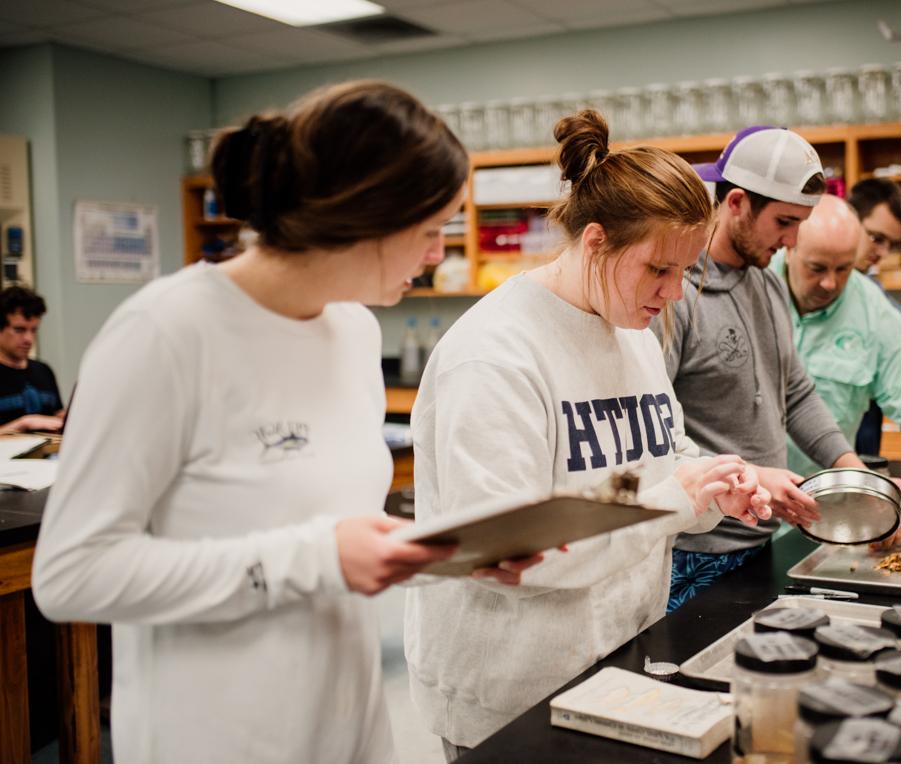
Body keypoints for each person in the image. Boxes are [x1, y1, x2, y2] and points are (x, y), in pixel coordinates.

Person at [32, 81, 537, 764]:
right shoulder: (165, 334)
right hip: (217, 735)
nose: (434, 255)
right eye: (429, 232)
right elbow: (72, 575)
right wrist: (315, 557)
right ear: (361, 219)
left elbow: (341, 538)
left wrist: (454, 556)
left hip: (348, 723)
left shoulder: (353, 330)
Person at [405, 110, 772, 761]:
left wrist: (715, 480)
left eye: (685, 273)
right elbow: (510, 552)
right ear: (596, 240)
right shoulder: (495, 355)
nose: (675, 294)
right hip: (509, 693)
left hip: (617, 664)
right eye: (659, 269)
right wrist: (676, 503)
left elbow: (654, 458)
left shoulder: (629, 328)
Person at [653, 127, 901, 611]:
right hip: (692, 552)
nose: (793, 241)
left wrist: (853, 472)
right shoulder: (675, 297)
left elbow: (795, 394)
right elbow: (654, 435)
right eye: (785, 222)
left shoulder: (767, 288)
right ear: (736, 203)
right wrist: (748, 475)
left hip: (758, 542)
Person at [771, 195, 901, 539]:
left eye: (843, 269)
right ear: (789, 247)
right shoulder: (752, 284)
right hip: (731, 522)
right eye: (817, 268)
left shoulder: (877, 316)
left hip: (821, 524)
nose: (830, 283)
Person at [845, 177, 901, 456]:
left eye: (890, 244)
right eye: (877, 238)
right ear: (850, 220)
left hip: (857, 460)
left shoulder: (884, 309)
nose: (883, 252)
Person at [0, 285, 64, 434]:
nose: (28, 339)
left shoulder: (43, 371)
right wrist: (24, 423)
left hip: (48, 454)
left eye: (33, 330)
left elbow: (56, 415)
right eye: (19, 330)